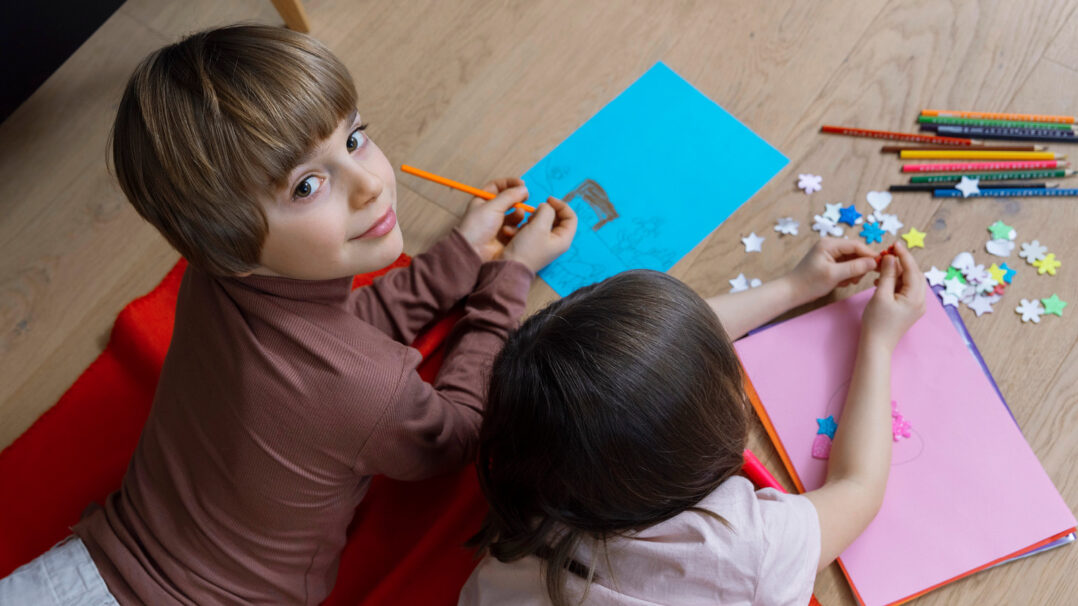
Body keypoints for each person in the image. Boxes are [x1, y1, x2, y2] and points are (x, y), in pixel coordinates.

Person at [0, 24, 576, 605]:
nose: (371, 184)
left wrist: (462, 255)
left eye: (354, 139)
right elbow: (460, 435)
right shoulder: (368, 391)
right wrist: (510, 278)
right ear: (229, 248)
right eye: (306, 187)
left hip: (77, 571)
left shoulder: (213, 274)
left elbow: (337, 339)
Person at [460, 240, 925, 605]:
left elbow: (635, 368)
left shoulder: (535, 456)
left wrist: (795, 286)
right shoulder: (742, 551)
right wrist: (879, 339)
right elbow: (858, 487)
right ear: (705, 441)